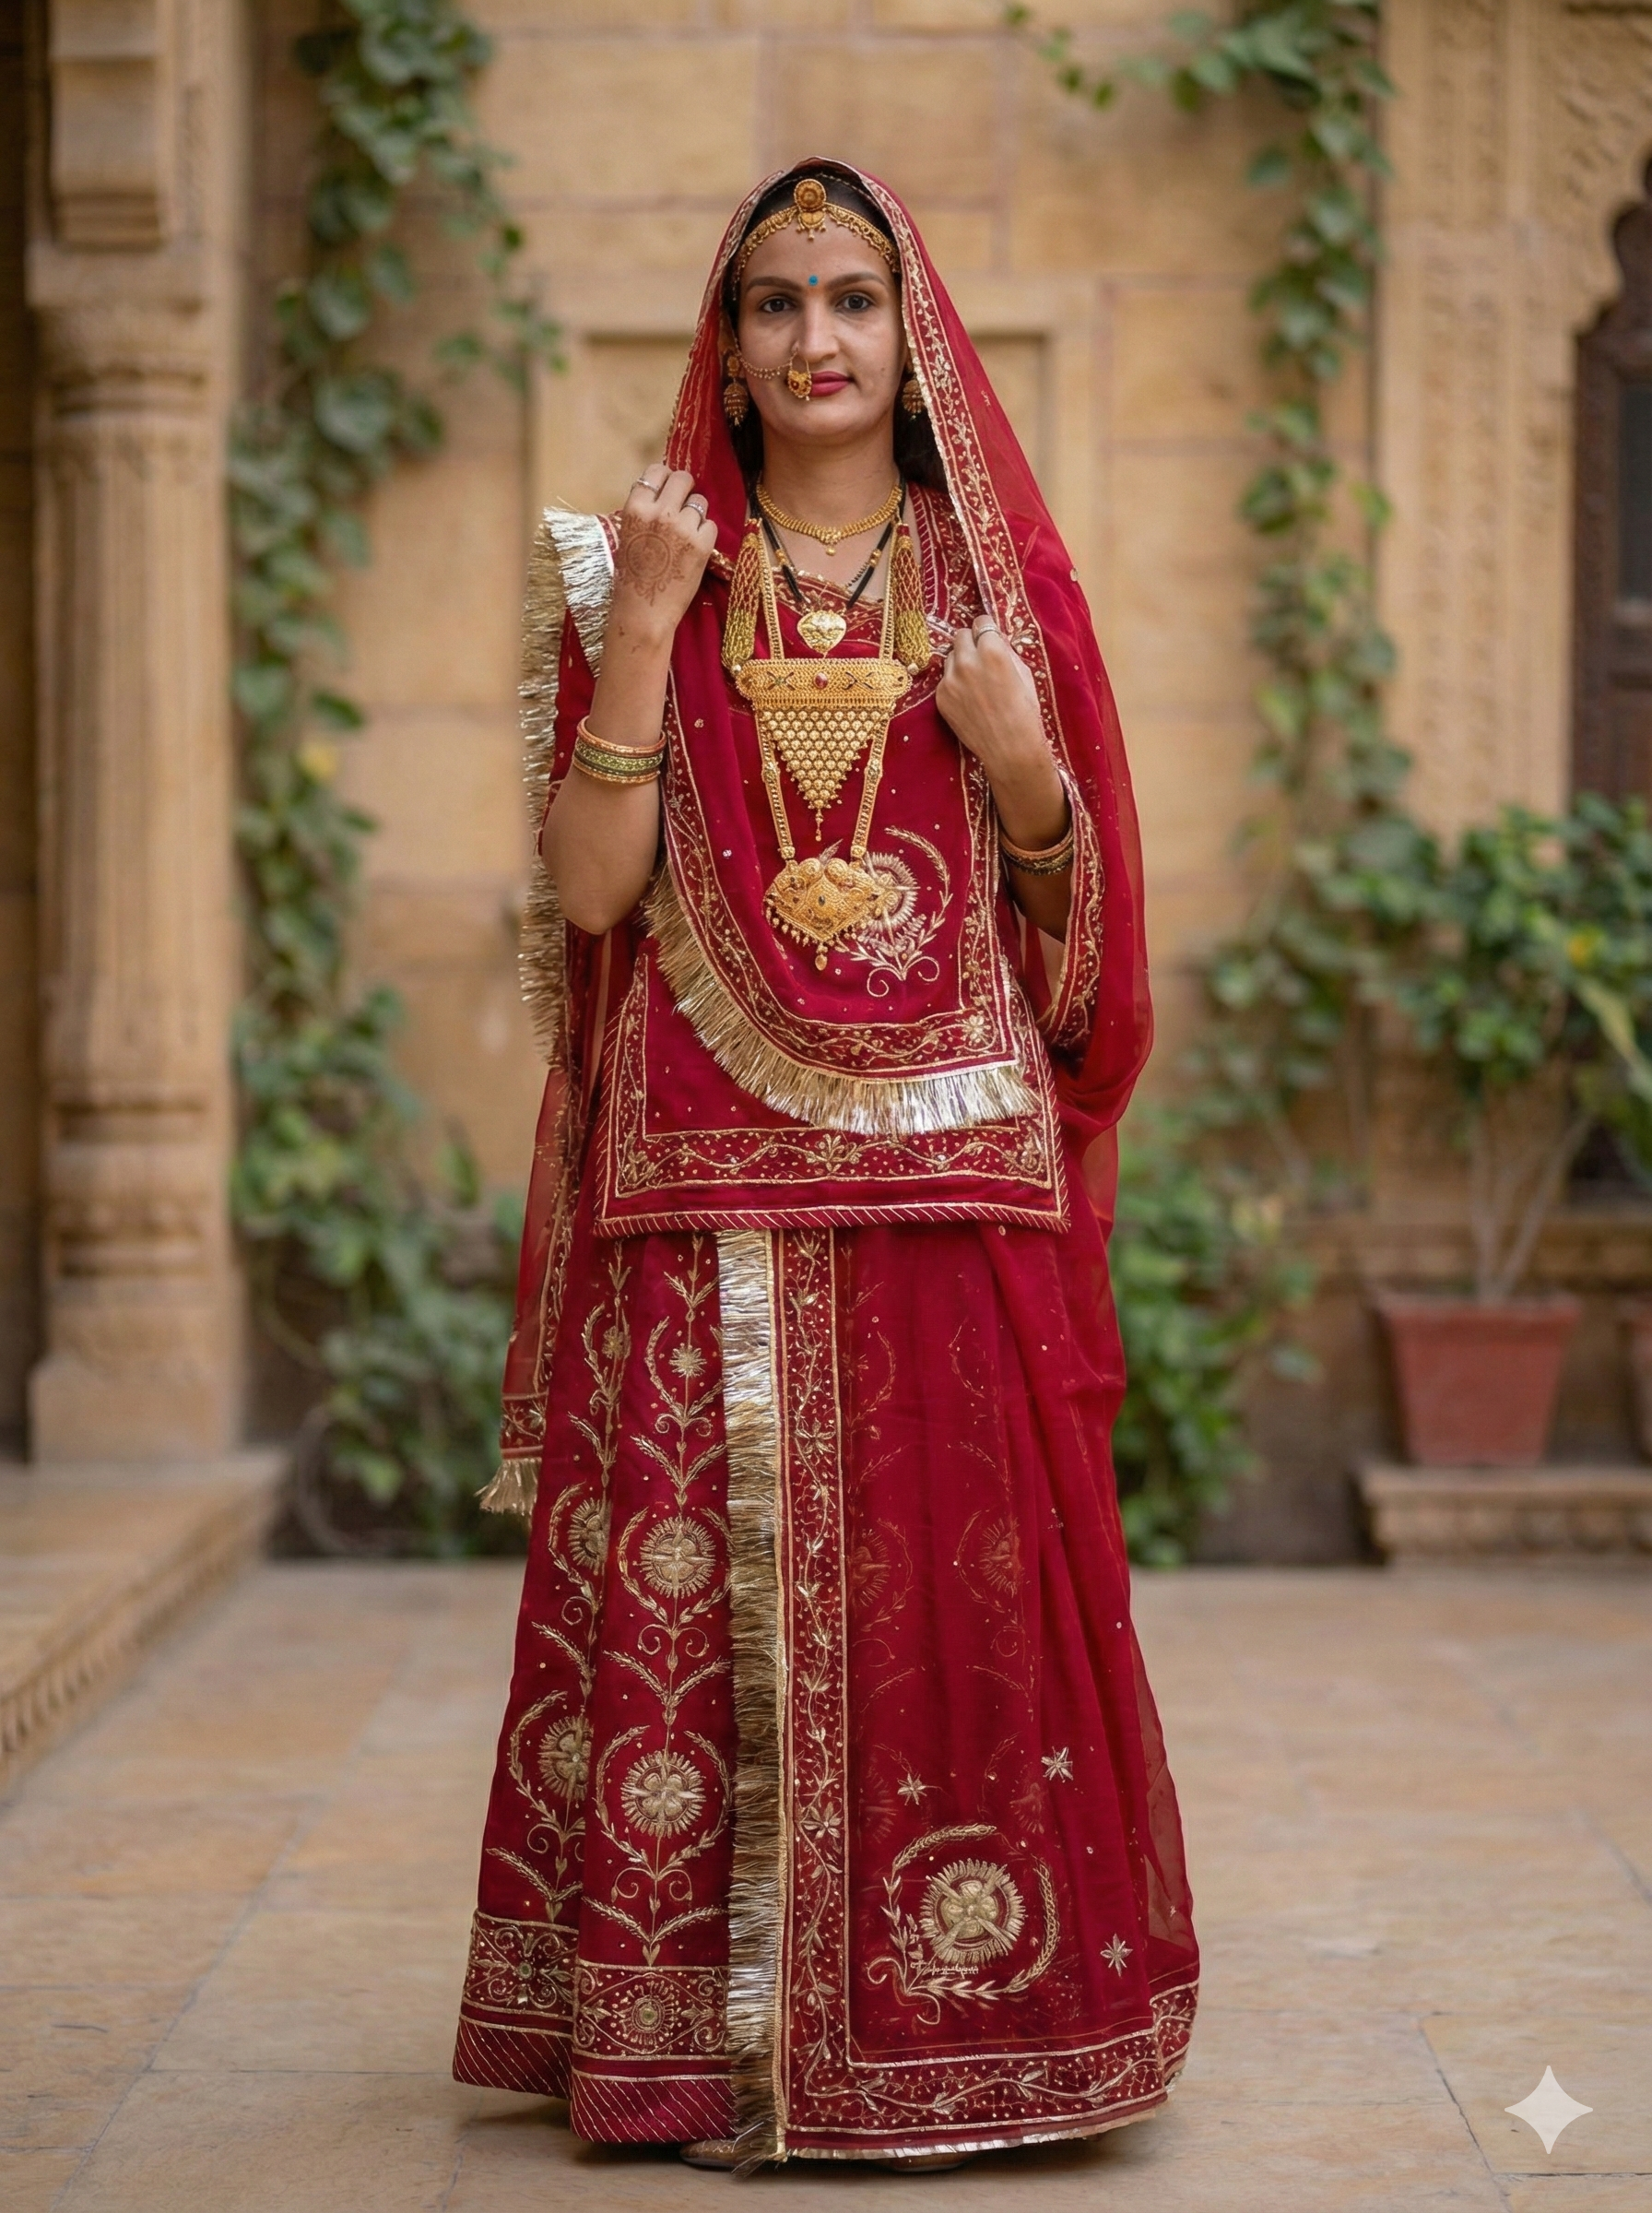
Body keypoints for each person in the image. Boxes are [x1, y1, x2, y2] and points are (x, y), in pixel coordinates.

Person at [453, 159, 1198, 2173]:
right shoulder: (638, 572)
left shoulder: (998, 589)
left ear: (908, 331)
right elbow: (591, 896)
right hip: (702, 1185)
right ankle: (695, 2048)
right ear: (728, 349)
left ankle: (971, 2035)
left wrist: (1020, 764)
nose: (815, 340)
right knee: (704, 1608)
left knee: (961, 1614)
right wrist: (645, 631)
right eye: (774, 305)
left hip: (950, 1188)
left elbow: (1085, 975)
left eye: (851, 300)